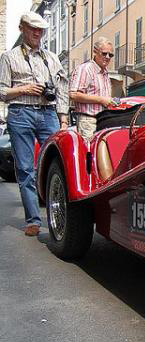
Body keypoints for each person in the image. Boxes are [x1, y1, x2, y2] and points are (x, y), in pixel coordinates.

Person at [0, 12, 69, 236]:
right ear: (22, 28)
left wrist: (64, 117)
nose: (37, 32)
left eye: (41, 29)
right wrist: (23, 89)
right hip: (20, 113)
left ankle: (61, 216)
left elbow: (62, 88)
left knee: (59, 163)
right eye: (33, 28)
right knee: (25, 169)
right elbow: (2, 90)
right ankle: (33, 220)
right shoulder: (9, 57)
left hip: (48, 113)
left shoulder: (51, 57)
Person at [69, 37, 117, 140]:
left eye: (111, 55)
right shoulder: (85, 69)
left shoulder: (105, 72)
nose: (108, 57)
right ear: (95, 52)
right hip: (88, 120)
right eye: (104, 53)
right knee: (89, 153)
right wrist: (101, 99)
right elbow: (73, 94)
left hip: (104, 120)